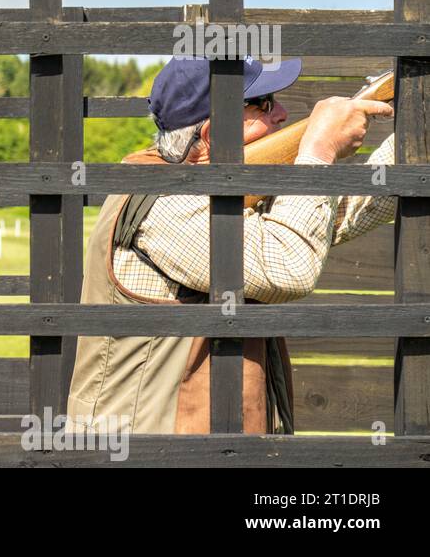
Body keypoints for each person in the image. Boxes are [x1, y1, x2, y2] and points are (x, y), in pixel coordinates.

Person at [67, 56, 395, 434]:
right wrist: (318, 152)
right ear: (210, 135)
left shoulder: (214, 196)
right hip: (158, 455)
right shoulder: (165, 203)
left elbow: (340, 212)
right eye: (265, 103)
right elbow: (289, 267)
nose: (283, 114)